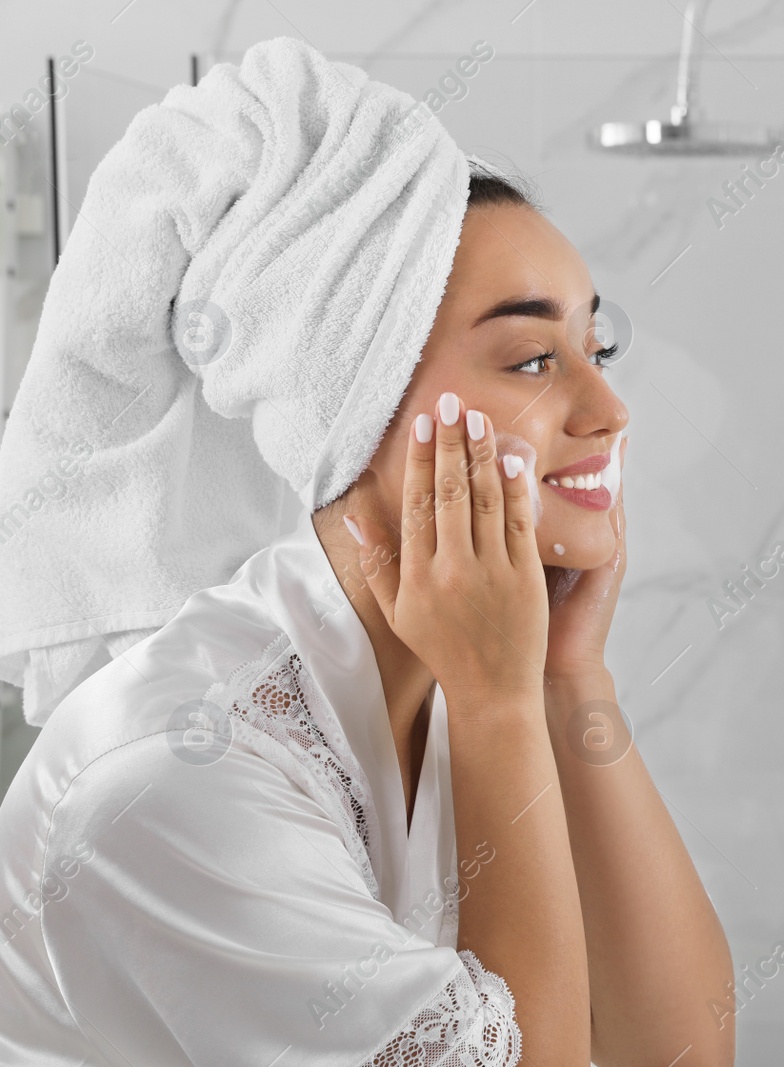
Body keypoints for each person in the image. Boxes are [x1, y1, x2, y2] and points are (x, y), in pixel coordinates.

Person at [0, 37, 733, 1067]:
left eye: (595, 349)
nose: (609, 409)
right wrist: (502, 703)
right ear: (357, 408)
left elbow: (682, 1054)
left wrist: (570, 674)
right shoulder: (169, 785)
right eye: (533, 358)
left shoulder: (458, 668)